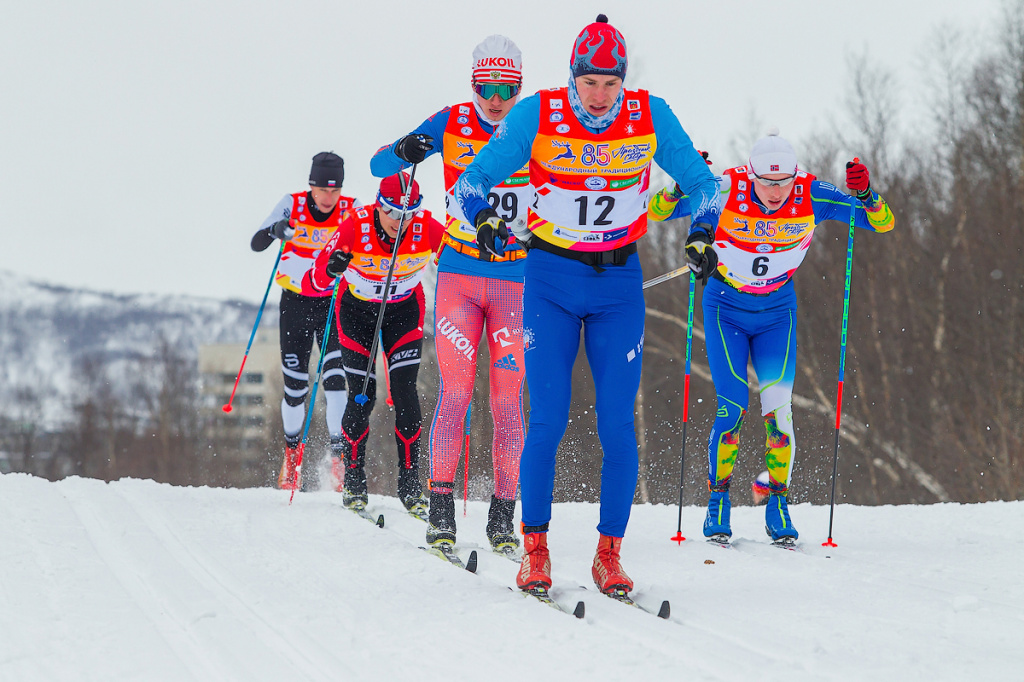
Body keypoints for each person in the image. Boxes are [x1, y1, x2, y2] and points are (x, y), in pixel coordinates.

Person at [452, 15, 720, 595]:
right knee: (544, 421)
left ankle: (609, 554)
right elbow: (467, 185)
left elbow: (706, 185)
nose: (599, 96)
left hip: (618, 286)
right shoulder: (536, 114)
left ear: (624, 79)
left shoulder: (650, 113)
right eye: (588, 81)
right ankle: (536, 552)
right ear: (572, 78)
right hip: (548, 280)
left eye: (609, 82)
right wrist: (488, 221)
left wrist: (701, 232)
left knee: (618, 426)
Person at [651, 129, 895, 544]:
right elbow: (658, 212)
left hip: (776, 313)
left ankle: (778, 503)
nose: (776, 191)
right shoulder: (725, 187)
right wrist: (679, 186)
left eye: (784, 182)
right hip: (725, 307)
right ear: (752, 173)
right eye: (767, 182)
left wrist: (868, 193)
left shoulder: (812, 193)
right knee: (732, 407)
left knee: (779, 412)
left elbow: (881, 223)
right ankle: (719, 502)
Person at [370, 35, 530, 555]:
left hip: (515, 283)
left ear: (520, 87)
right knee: (457, 392)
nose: (498, 100)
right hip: (460, 279)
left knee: (508, 401)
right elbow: (378, 167)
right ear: (474, 84)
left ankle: (503, 517)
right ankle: (440, 513)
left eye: (508, 88)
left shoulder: (534, 126)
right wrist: (404, 151)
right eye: (489, 88)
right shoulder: (453, 121)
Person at [305, 172, 445, 516]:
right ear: (379, 207)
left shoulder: (427, 227)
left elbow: (460, 262)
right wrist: (332, 267)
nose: (401, 221)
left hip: (403, 312)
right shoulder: (355, 226)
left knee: (406, 393)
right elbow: (314, 279)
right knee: (362, 394)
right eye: (394, 213)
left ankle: (411, 484)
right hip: (357, 315)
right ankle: (354, 479)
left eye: (409, 213)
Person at [250, 152, 359, 491]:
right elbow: (256, 243)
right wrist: (276, 229)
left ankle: (339, 459)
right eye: (322, 190)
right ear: (311, 186)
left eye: (335, 190)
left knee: (336, 381)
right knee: (295, 387)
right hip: (295, 303)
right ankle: (292, 455)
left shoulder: (350, 209)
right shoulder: (292, 204)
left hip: (333, 303)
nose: (329, 198)